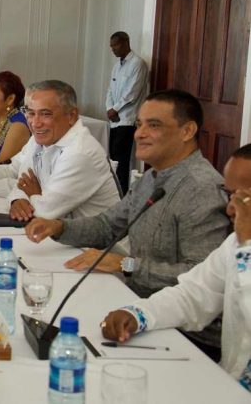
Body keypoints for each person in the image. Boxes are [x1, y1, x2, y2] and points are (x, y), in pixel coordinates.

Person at [25, 89, 230, 355]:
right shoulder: (153, 178)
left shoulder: (201, 188)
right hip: (139, 308)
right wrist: (60, 227)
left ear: (187, 131)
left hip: (190, 336)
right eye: (139, 124)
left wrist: (127, 265)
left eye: (153, 125)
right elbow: (108, 226)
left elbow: (201, 278)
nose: (139, 133)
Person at [100, 144, 251, 389]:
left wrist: (247, 249)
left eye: (244, 198)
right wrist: (139, 314)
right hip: (228, 383)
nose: (231, 208)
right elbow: (193, 294)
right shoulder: (235, 243)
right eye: (229, 194)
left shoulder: (243, 243)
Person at [0, 80, 120, 222]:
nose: (35, 123)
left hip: (97, 253)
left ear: (72, 116)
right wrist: (18, 198)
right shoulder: (41, 139)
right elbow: (16, 174)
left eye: (45, 114)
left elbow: (45, 212)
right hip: (61, 238)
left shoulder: (80, 153)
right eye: (30, 113)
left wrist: (32, 195)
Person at [105, 31, 149, 194]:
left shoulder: (138, 64)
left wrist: (115, 108)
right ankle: (113, 191)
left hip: (127, 118)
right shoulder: (117, 66)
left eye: (115, 45)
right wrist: (109, 108)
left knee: (122, 160)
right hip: (114, 118)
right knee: (113, 157)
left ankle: (122, 192)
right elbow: (110, 89)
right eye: (111, 46)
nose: (113, 49)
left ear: (125, 43)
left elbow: (132, 92)